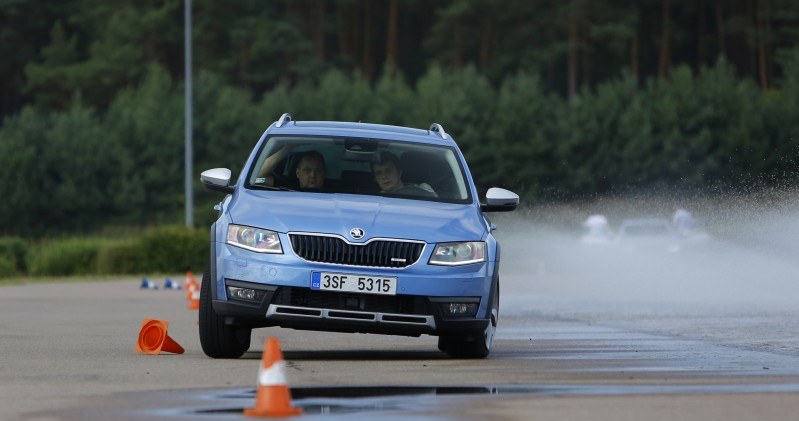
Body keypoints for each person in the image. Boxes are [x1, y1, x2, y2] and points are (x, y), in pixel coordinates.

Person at [256, 146, 326, 190]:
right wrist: (288, 148)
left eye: (318, 170)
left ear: (324, 174)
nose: (312, 175)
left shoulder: (335, 192)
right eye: (307, 170)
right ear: (297, 173)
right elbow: (257, 175)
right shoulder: (285, 188)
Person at [371, 151, 436, 197]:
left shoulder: (423, 191)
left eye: (388, 170)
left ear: (399, 172)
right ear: (375, 179)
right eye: (378, 173)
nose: (384, 176)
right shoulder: (374, 201)